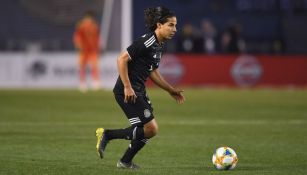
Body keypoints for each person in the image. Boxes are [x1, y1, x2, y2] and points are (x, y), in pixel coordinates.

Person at [95, 6, 185, 169]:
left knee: (145, 130)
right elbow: (121, 59)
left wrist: (170, 89)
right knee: (151, 129)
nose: (175, 29)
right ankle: (107, 135)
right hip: (127, 91)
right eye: (171, 25)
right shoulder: (147, 41)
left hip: (139, 90)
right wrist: (127, 87)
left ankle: (125, 161)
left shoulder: (159, 45)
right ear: (159, 25)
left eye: (175, 25)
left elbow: (152, 72)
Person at [73, 10, 101, 92]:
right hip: (84, 49)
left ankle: (95, 82)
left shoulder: (94, 26)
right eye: (88, 18)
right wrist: (78, 45)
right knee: (82, 67)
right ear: (86, 17)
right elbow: (77, 36)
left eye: (90, 18)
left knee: (94, 66)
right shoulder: (81, 25)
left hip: (93, 50)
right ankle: (82, 83)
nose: (89, 19)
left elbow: (97, 38)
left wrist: (98, 47)